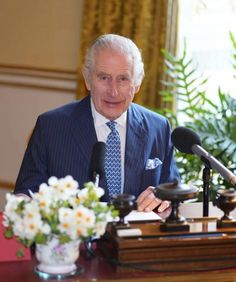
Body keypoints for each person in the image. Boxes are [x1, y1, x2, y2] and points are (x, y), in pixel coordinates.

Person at [14, 34, 179, 212]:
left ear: (137, 83)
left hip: (137, 237)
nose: (113, 91)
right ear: (87, 79)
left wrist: (161, 195)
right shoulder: (51, 127)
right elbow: (26, 193)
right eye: (104, 78)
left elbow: (173, 188)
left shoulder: (158, 127)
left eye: (123, 79)